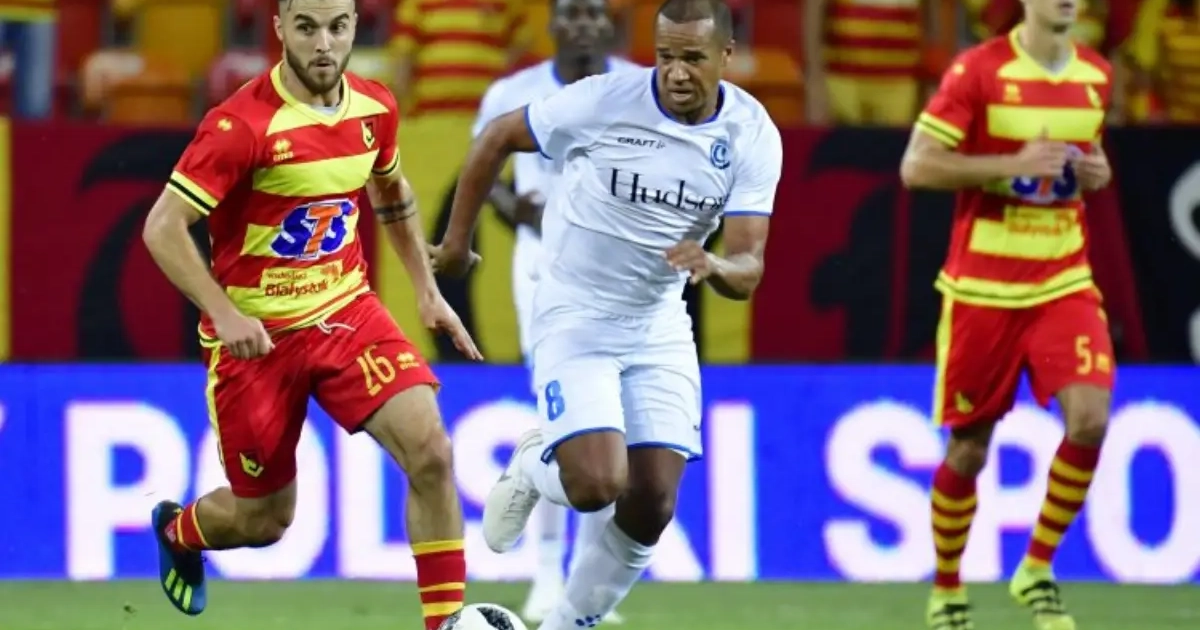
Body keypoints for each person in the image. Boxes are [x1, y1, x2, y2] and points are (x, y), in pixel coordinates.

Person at [433, 0, 782, 627]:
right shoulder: (606, 100)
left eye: (693, 58)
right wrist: (457, 244)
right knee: (597, 485)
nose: (676, 72)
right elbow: (496, 138)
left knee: (652, 502)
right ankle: (536, 462)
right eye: (666, 56)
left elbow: (748, 267)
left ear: (726, 56)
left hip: (658, 322)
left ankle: (566, 622)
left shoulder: (752, 134)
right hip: (575, 311)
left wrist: (715, 265)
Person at [141, 2, 481, 629]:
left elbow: (391, 189)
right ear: (279, 27)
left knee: (432, 452)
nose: (323, 43)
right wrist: (223, 312)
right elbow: (162, 227)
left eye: (337, 27)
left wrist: (426, 290)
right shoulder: (240, 126)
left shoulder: (375, 107)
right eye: (306, 27)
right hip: (258, 339)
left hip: (346, 310)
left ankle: (446, 625)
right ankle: (179, 532)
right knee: (264, 521)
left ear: (355, 26)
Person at [899, 1, 1114, 629]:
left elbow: (1084, 162)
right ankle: (947, 589)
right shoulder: (978, 70)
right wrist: (1009, 165)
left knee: (1091, 419)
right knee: (968, 450)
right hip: (982, 289)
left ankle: (1036, 567)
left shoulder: (1097, 76)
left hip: (1063, 279)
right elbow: (916, 166)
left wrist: (1096, 172)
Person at [470, 0, 637, 623]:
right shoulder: (513, 92)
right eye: (573, 12)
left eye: (596, 12)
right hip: (543, 265)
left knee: (611, 420)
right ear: (553, 23)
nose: (585, 24)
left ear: (610, 23)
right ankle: (545, 575)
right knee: (560, 414)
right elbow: (483, 168)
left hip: (619, 265)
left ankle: (583, 581)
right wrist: (512, 208)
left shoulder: (639, 88)